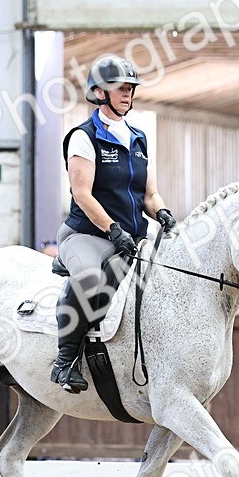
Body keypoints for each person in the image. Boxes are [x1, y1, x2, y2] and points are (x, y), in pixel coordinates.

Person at [51, 55, 177, 393]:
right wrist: (113, 229)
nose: (128, 94)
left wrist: (162, 211)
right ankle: (64, 363)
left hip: (130, 238)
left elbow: (149, 194)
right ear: (100, 92)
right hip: (87, 234)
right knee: (91, 278)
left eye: (130, 88)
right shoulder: (83, 137)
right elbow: (83, 195)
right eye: (121, 88)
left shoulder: (138, 138)